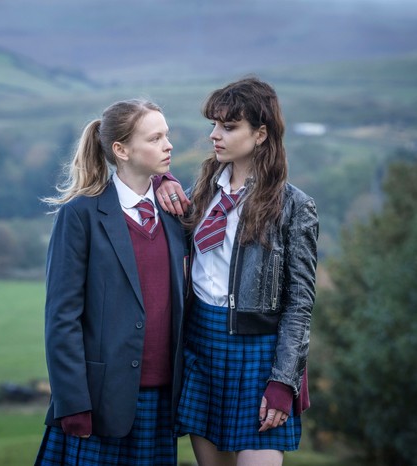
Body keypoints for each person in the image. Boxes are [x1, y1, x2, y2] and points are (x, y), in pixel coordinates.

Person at [156, 77, 319, 466]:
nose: (215, 135)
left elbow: (300, 304)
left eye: (228, 127)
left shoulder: (294, 206)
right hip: (200, 343)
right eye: (214, 125)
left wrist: (283, 382)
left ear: (261, 134)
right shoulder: (203, 190)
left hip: (259, 354)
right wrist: (160, 178)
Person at [33, 99, 188, 466]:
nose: (168, 145)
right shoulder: (80, 215)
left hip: (163, 402)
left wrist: (166, 179)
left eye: (167, 136)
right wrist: (73, 402)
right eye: (155, 138)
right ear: (121, 149)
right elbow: (62, 317)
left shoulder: (176, 214)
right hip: (98, 402)